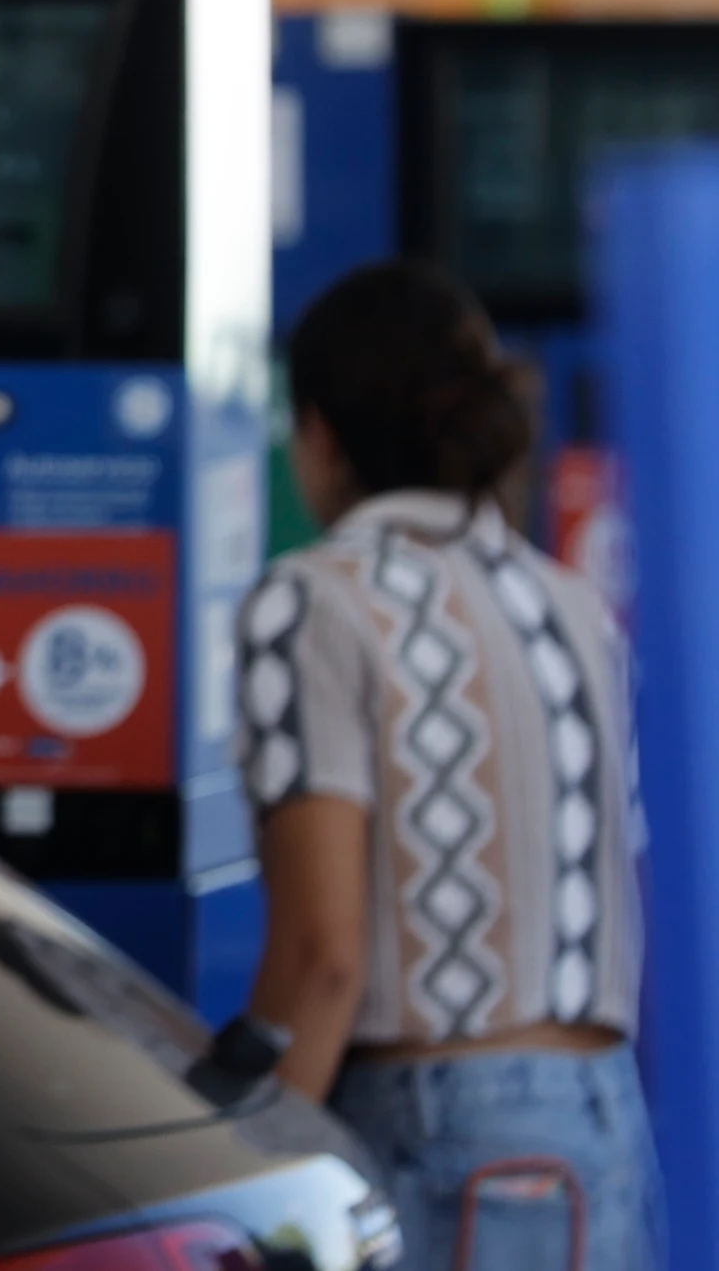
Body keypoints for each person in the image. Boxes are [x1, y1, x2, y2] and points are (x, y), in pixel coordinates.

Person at [238, 259, 653, 1267]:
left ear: (320, 434)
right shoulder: (570, 605)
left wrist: (247, 1177)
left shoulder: (313, 600)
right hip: (607, 1124)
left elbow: (322, 961)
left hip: (440, 1133)